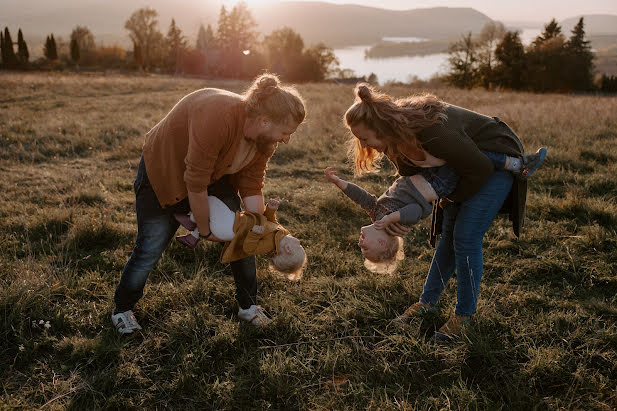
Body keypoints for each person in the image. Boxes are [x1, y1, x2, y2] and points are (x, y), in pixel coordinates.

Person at [343, 83, 545, 342]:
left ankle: (464, 318)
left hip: (495, 162)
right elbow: (418, 185)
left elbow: (480, 168)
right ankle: (427, 303)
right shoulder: (395, 146)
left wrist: (450, 198)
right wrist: (402, 217)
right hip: (462, 167)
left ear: (381, 128)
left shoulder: (434, 133)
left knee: (465, 236)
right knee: (449, 233)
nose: (363, 145)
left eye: (364, 138)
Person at [111, 74, 306, 334]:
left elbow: (251, 183)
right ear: (265, 120)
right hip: (164, 172)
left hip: (212, 176)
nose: (286, 140)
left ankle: (248, 307)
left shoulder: (265, 140)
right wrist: (204, 230)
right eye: (285, 132)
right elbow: (195, 183)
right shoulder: (218, 117)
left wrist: (258, 225)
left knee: (244, 238)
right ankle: (122, 310)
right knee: (150, 247)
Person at [324, 145, 546, 265]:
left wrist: (339, 183)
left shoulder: (376, 213)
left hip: (424, 174)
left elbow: (361, 196)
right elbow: (416, 211)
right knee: (464, 152)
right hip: (439, 183)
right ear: (382, 243)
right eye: (365, 247)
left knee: (458, 149)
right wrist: (392, 218)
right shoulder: (393, 223)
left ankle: (508, 158)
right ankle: (517, 164)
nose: (359, 243)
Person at [174, 198, 306, 277]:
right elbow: (270, 221)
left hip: (230, 228)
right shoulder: (280, 235)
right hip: (234, 223)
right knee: (211, 215)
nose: (300, 242)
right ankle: (193, 236)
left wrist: (255, 233)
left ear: (288, 249)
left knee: (211, 201)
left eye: (299, 246)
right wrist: (271, 210)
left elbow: (249, 248)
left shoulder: (269, 245)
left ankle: (191, 219)